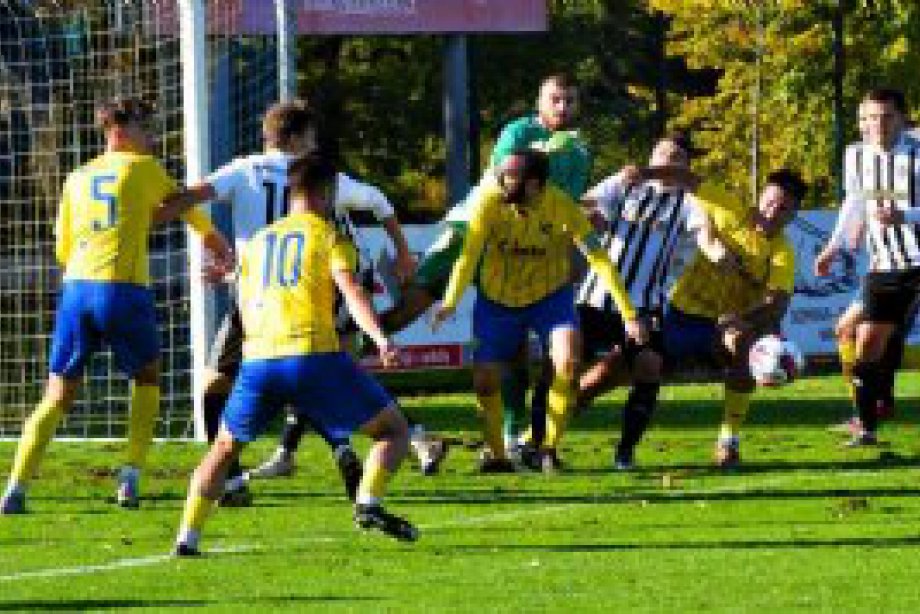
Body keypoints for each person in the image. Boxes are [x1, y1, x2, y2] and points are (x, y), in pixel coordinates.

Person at [173, 154, 417, 556]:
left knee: (224, 449)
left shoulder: (259, 241)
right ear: (327, 193)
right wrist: (380, 337)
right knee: (394, 431)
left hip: (259, 360)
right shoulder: (329, 237)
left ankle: (187, 537)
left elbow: (250, 296)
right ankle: (368, 502)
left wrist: (231, 280)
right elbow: (352, 291)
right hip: (312, 355)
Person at [0, 98, 232, 514]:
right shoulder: (142, 167)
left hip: (75, 290)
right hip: (122, 290)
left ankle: (15, 488)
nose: (152, 137)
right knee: (147, 378)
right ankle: (130, 476)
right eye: (146, 128)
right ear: (120, 131)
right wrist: (213, 239)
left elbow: (62, 248)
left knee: (57, 393)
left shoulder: (76, 177)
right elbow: (183, 203)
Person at [383, 74, 591, 457]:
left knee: (515, 349)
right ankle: (357, 343)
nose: (563, 108)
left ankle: (513, 434)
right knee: (414, 302)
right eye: (555, 99)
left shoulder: (579, 153)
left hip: (518, 247)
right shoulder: (519, 131)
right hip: (471, 230)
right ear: (539, 102)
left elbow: (562, 206)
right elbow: (502, 178)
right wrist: (546, 149)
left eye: (570, 101)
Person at [432, 149, 644, 473]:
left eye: (510, 177)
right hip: (498, 301)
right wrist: (450, 301)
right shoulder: (488, 202)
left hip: (550, 298)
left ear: (534, 184)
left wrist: (629, 314)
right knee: (485, 381)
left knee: (568, 362)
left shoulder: (562, 206)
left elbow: (599, 258)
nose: (502, 182)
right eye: (502, 175)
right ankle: (497, 455)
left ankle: (547, 450)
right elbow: (468, 255)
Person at [573, 134, 720, 469]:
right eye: (663, 153)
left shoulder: (689, 202)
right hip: (596, 298)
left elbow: (705, 234)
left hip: (645, 306)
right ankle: (537, 441)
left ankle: (625, 452)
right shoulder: (626, 183)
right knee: (566, 369)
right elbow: (587, 203)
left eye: (677, 157)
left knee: (650, 366)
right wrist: (592, 214)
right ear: (651, 156)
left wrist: (717, 253)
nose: (668, 161)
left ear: (686, 166)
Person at [664, 169, 806, 467]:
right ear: (760, 197)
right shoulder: (729, 207)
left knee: (743, 342)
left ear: (793, 215)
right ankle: (560, 422)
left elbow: (777, 302)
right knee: (613, 370)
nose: (772, 211)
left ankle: (728, 441)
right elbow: (688, 179)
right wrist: (644, 173)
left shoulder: (781, 252)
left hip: (722, 326)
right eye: (770, 202)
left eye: (783, 209)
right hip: (678, 311)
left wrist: (738, 319)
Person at [814, 88, 920, 446]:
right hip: (886, 265)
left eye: (887, 117)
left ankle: (878, 406)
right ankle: (867, 425)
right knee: (865, 339)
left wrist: (905, 215)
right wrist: (834, 245)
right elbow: (854, 203)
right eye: (871, 118)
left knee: (870, 336)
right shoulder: (856, 155)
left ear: (903, 119)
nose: (878, 125)